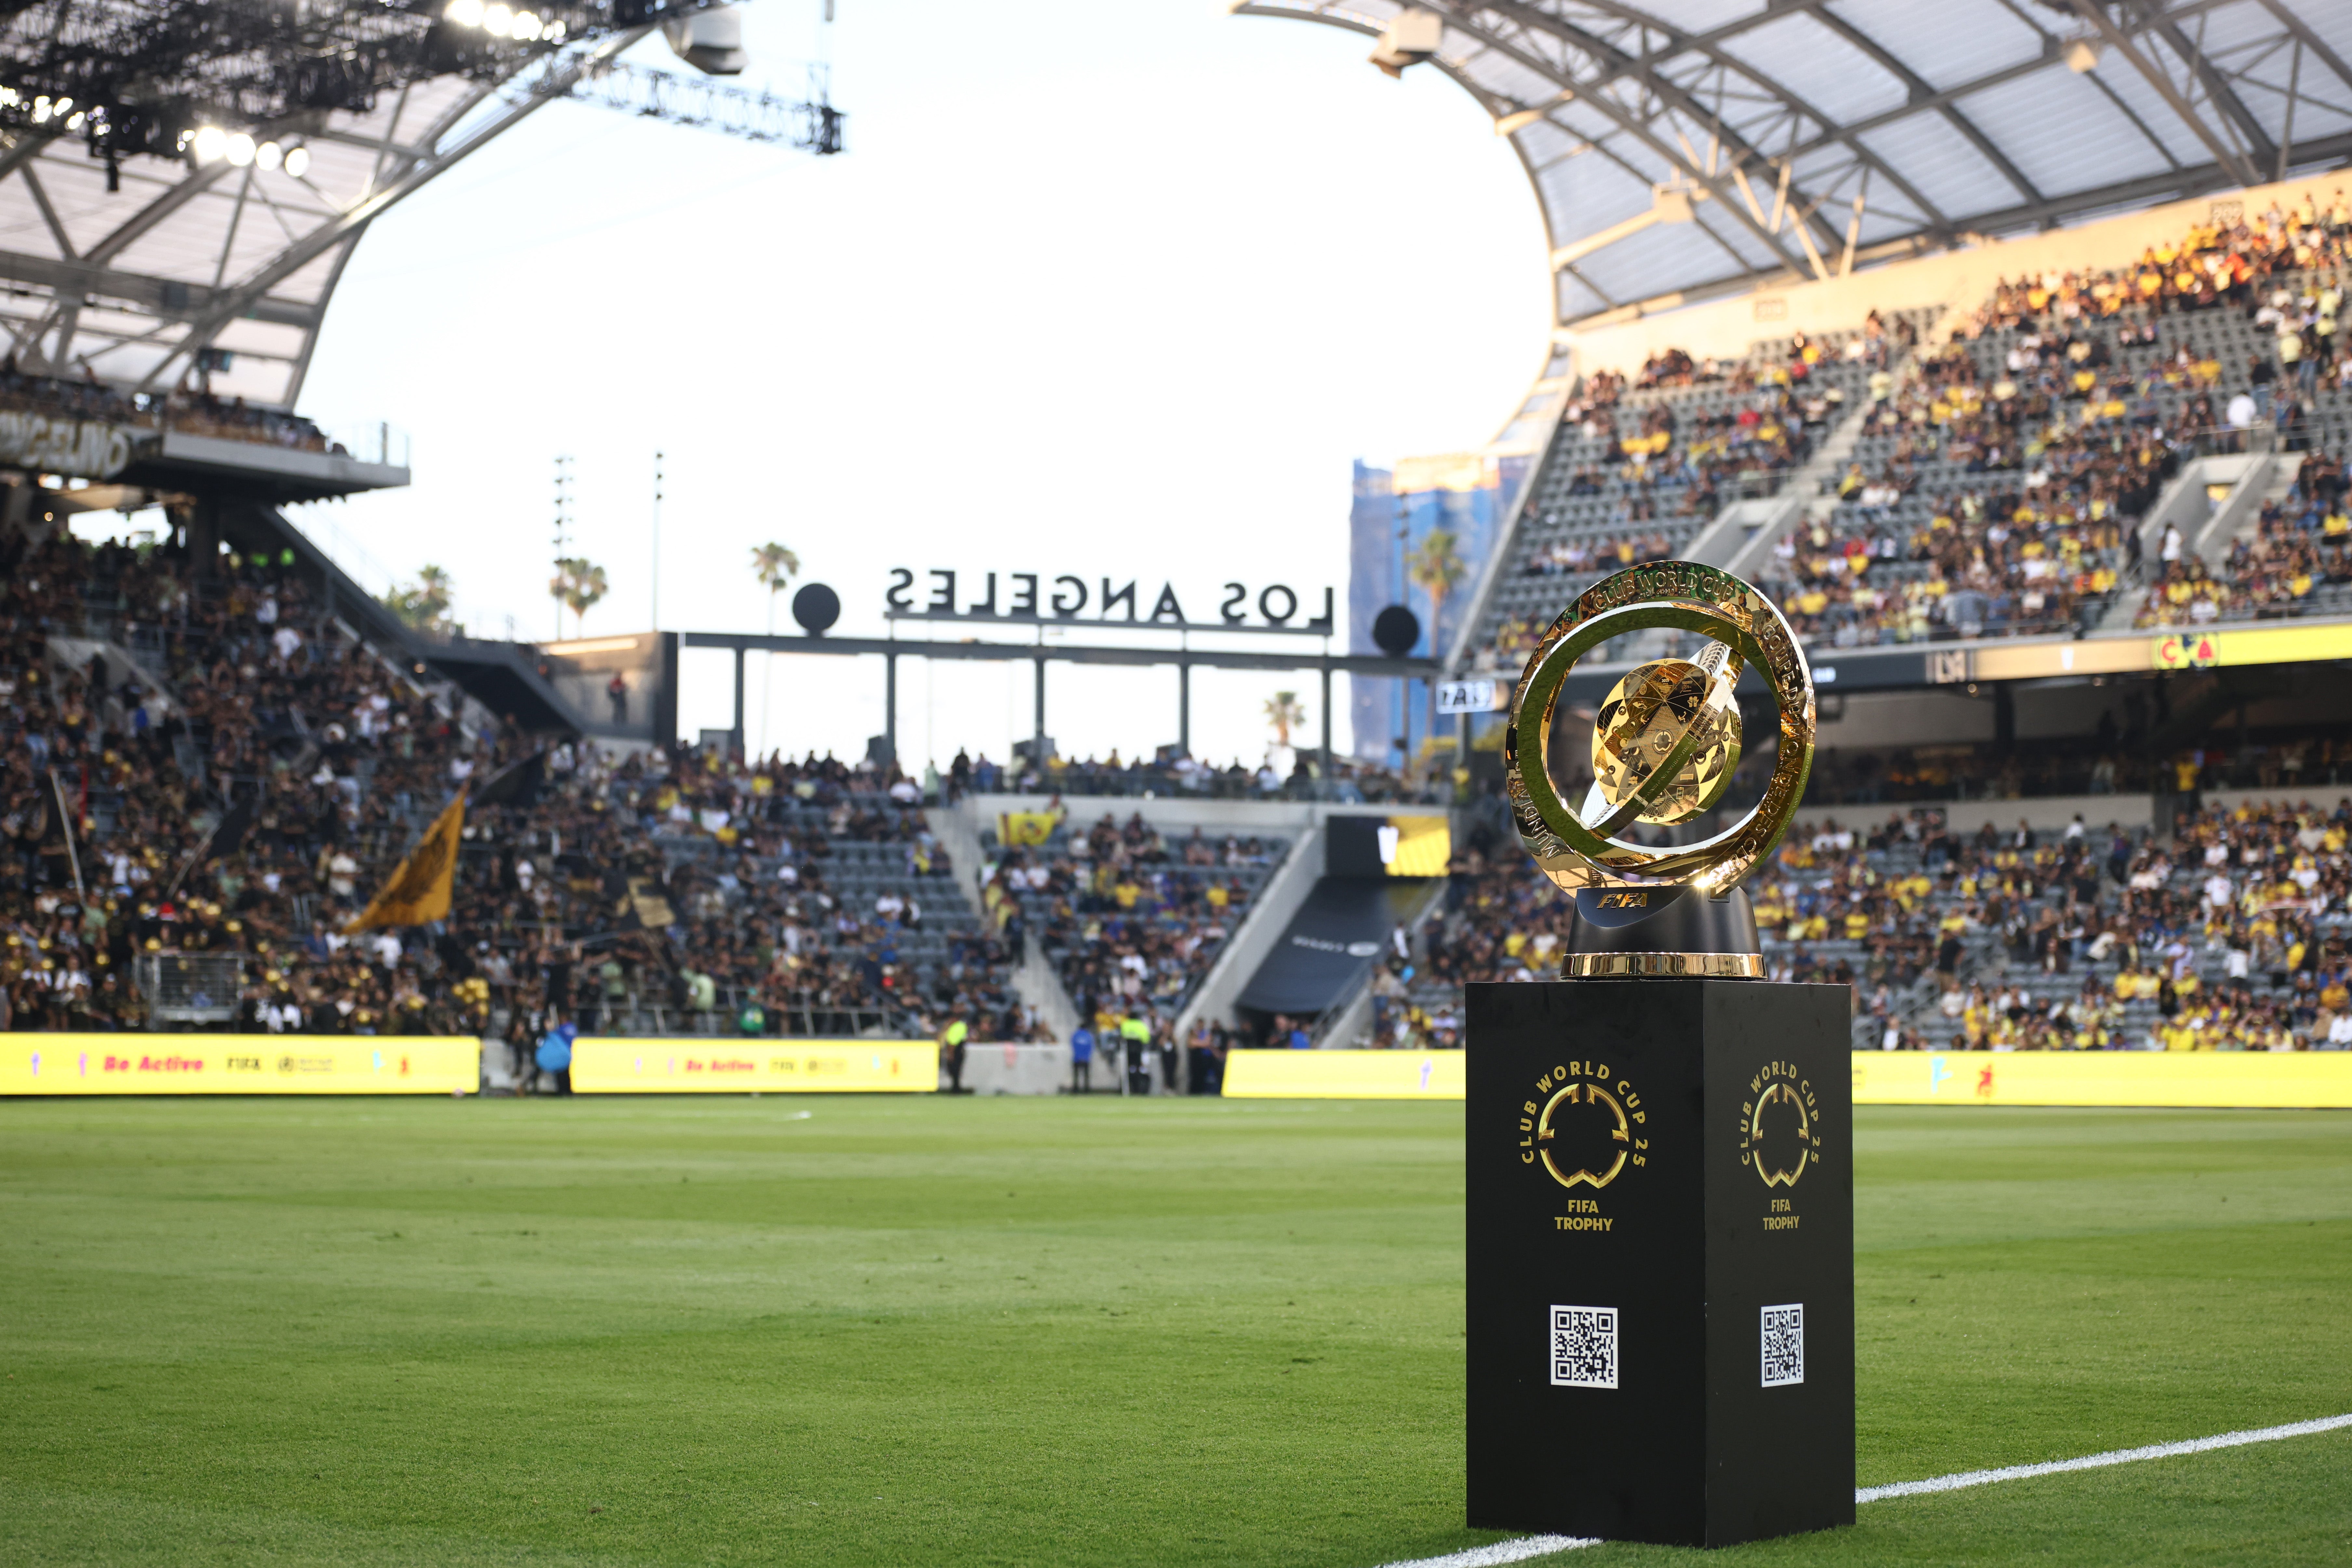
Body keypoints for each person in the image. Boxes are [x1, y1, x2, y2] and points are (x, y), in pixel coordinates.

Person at [535, 1015, 576, 1095]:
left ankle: (566, 1091)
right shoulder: (543, 1035)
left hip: (560, 1058)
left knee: (564, 1074)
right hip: (549, 1059)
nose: (550, 1025)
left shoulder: (558, 1033)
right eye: (548, 1023)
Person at [1120, 1011, 1153, 1096]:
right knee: (1139, 1069)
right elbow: (1146, 1038)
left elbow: (1123, 1036)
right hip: (1139, 1050)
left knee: (1129, 1070)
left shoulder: (1126, 1024)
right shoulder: (1141, 1025)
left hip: (1128, 1051)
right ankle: (1139, 1089)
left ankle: (1129, 1089)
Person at [941, 1014, 969, 1093]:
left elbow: (952, 1042)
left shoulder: (956, 1027)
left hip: (956, 1051)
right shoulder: (962, 1026)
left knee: (954, 1070)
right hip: (960, 1050)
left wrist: (950, 1054)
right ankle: (956, 1087)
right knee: (957, 1070)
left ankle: (956, 1089)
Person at [1069, 1019, 1095, 1093]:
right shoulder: (1089, 1036)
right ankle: (1087, 1090)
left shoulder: (1075, 1035)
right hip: (1086, 1058)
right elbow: (1091, 1047)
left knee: (1076, 1075)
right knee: (1086, 1075)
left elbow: (1073, 1045)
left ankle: (1076, 1089)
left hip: (1077, 1058)